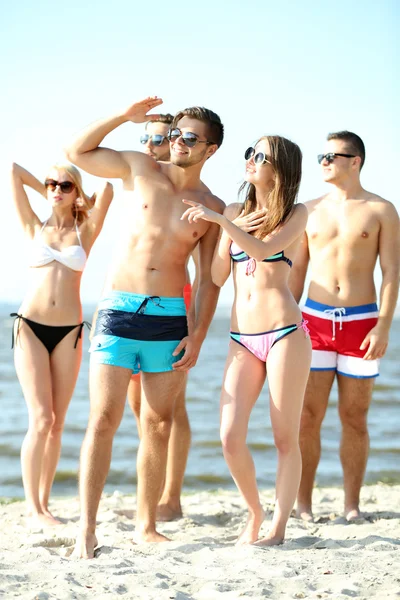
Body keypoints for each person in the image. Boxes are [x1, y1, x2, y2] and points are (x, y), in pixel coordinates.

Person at [65, 97, 225, 558]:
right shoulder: (139, 169)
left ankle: (146, 523)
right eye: (176, 133)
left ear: (209, 149)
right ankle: (86, 529)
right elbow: (77, 151)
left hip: (171, 317)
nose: (178, 142)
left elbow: (210, 281)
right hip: (119, 309)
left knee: (158, 423)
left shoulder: (210, 206)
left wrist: (198, 332)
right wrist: (123, 117)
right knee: (102, 420)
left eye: (190, 137)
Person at [182, 136, 311, 546]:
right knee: (229, 435)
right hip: (241, 338)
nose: (252, 161)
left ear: (281, 169)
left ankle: (278, 528)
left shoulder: (296, 213)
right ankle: (254, 513)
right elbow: (218, 276)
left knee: (284, 437)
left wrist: (225, 225)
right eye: (250, 153)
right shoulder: (237, 211)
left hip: (285, 335)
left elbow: (266, 248)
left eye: (262, 156)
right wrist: (228, 228)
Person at [289, 131, 400, 522]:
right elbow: (296, 271)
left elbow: (390, 272)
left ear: (356, 161)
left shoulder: (381, 209)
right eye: (322, 155)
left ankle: (351, 506)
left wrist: (383, 325)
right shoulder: (308, 209)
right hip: (313, 321)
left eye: (333, 156)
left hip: (361, 323)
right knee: (307, 415)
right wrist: (287, 320)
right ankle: (303, 504)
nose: (324, 161)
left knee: (355, 417)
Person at [10, 162, 113, 527]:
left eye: (64, 184)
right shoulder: (34, 226)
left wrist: (75, 196)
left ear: (76, 190)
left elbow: (107, 192)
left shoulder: (85, 229)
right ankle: (32, 507)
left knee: (57, 423)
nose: (55, 188)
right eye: (52, 183)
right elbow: (14, 171)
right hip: (30, 327)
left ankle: (45, 503)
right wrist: (49, 192)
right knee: (40, 418)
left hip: (69, 331)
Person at [130, 112, 199, 520]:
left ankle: (171, 498)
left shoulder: (178, 181)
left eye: (159, 139)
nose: (150, 146)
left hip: (174, 297)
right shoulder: (140, 178)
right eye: (146, 139)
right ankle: (150, 493)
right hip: (130, 298)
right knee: (138, 407)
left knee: (172, 407)